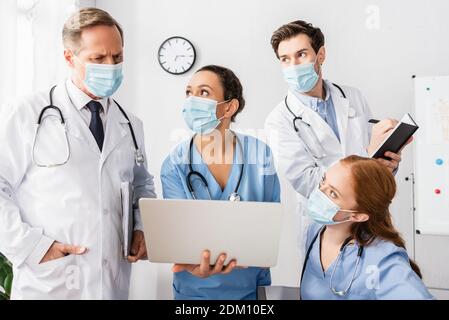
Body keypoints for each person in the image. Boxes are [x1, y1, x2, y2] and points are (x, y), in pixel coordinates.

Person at [0, 8, 156, 299]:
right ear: (69, 58)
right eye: (98, 58)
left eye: (117, 57)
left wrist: (142, 227)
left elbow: (142, 184)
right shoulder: (26, 114)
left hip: (111, 282)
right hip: (51, 281)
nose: (111, 66)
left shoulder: (131, 124)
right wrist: (31, 246)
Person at [264, 20, 411, 258]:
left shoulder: (352, 97)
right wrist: (368, 161)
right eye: (285, 59)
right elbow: (309, 183)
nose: (293, 66)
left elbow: (371, 158)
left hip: (371, 216)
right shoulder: (279, 120)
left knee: (375, 284)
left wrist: (386, 164)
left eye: (301, 54)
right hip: (327, 223)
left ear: (320, 55)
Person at [161, 65, 280, 300]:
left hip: (250, 289)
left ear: (229, 107)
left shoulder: (259, 153)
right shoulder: (175, 163)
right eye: (188, 92)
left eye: (204, 92)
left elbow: (269, 224)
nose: (192, 100)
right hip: (194, 292)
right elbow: (180, 237)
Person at [300, 155, 434, 300]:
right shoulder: (315, 231)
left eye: (333, 193)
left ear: (358, 216)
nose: (319, 192)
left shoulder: (382, 259)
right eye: (323, 181)